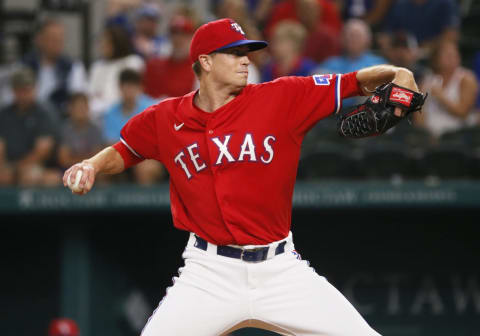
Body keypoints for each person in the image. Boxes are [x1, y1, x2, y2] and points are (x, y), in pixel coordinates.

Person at [63, 18, 421, 335]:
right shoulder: (163, 118)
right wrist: (92, 165)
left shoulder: (281, 96)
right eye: (234, 53)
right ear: (205, 61)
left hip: (279, 269)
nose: (246, 59)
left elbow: (355, 81)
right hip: (208, 272)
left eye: (247, 52)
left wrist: (399, 75)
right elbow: (125, 150)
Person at [0, 67, 59, 186]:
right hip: (9, 166)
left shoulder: (44, 112)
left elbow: (42, 151)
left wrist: (17, 167)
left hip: (38, 166)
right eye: (20, 89)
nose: (24, 94)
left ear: (34, 88)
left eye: (27, 89)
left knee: (30, 177)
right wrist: (3, 167)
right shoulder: (4, 113)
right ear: (14, 91)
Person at [22, 18, 88, 117]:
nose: (57, 43)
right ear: (40, 40)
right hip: (29, 117)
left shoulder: (73, 66)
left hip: (61, 120)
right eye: (52, 39)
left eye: (60, 39)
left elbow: (79, 100)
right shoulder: (25, 65)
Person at [314, 18, 386, 106]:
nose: (353, 39)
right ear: (342, 39)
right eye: (350, 35)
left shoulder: (379, 64)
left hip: (366, 113)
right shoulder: (331, 63)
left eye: (357, 36)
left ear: (368, 40)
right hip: (334, 114)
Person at [414, 41, 479, 137]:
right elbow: (418, 113)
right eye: (448, 55)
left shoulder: (467, 78)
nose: (453, 58)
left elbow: (462, 113)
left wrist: (442, 97)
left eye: (455, 54)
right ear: (436, 59)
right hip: (430, 133)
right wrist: (424, 134)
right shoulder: (426, 80)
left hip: (458, 133)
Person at [88, 25, 144, 123]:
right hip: (98, 118)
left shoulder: (132, 62)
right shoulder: (97, 67)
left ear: (117, 43)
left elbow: (130, 93)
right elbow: (91, 95)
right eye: (101, 42)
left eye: (107, 42)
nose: (102, 46)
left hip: (126, 116)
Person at [142, 15, 198, 99]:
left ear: (192, 38)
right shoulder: (154, 65)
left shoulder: (198, 70)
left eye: (184, 35)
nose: (178, 39)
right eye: (174, 34)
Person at [58, 93, 104, 170]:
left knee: (103, 174)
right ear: (70, 109)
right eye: (78, 107)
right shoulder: (65, 128)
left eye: (83, 107)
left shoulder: (95, 129)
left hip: (91, 169)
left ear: (88, 108)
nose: (81, 111)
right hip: (68, 170)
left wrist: (77, 161)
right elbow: (63, 159)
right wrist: (84, 162)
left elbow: (97, 158)